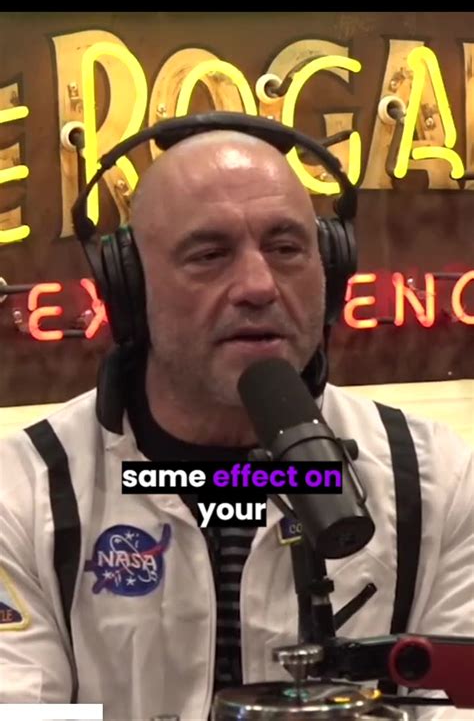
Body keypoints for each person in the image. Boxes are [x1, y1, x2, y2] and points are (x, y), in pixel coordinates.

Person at [0, 128, 472, 721]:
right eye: (209, 254)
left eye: (286, 248)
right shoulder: (22, 491)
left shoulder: (437, 480)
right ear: (130, 288)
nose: (258, 286)